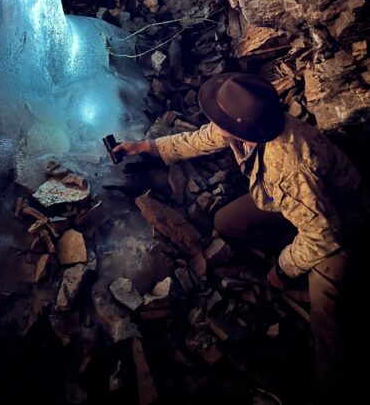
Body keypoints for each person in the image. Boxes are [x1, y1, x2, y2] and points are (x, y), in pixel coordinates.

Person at [114, 72, 363, 404]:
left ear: (241, 127)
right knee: (227, 222)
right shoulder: (252, 125)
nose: (213, 122)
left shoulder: (289, 168)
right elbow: (203, 138)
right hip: (287, 201)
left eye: (219, 118)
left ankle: (335, 388)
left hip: (341, 219)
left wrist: (283, 268)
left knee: (326, 312)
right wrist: (148, 148)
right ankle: (290, 240)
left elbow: (324, 237)